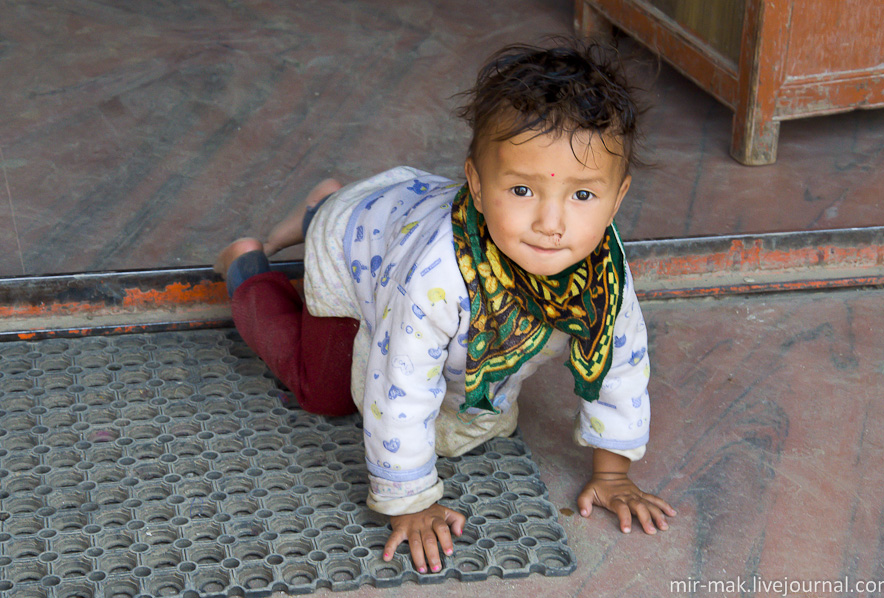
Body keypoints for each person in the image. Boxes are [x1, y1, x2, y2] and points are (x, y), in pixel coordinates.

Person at [214, 39, 676, 576]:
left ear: (617, 199)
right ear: (476, 186)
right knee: (326, 393)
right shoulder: (437, 277)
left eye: (582, 196)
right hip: (355, 249)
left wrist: (613, 474)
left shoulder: (603, 276)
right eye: (522, 190)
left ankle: (323, 202)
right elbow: (400, 384)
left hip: (397, 216)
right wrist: (410, 502)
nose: (551, 224)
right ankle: (251, 268)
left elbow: (621, 364)